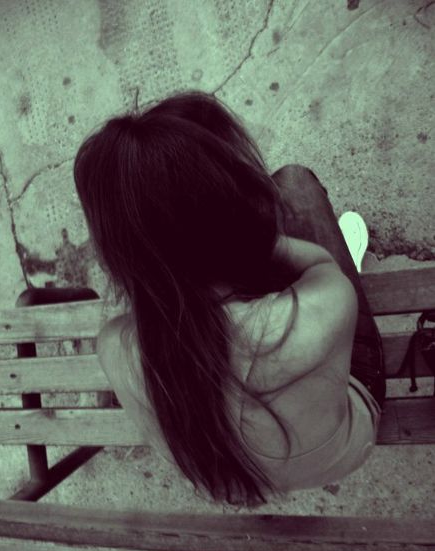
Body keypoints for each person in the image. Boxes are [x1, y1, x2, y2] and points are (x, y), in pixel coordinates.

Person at [73, 90, 386, 508]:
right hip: (346, 448)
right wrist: (251, 238)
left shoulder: (114, 346)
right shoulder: (326, 301)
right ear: (239, 213)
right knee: (294, 183)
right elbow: (320, 264)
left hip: (236, 485)